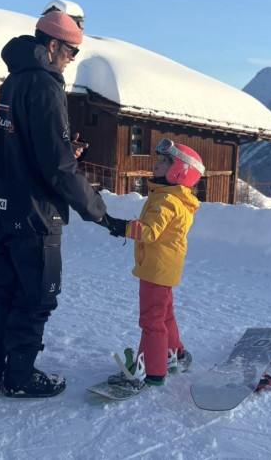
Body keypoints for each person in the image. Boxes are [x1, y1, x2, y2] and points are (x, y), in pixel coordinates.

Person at [0, 10, 114, 398]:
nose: (71, 61)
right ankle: (19, 377)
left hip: (2, 204)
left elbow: (30, 147)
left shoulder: (15, 78)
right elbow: (57, 166)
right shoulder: (45, 84)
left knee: (3, 292)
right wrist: (98, 210)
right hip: (34, 213)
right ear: (53, 45)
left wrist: (65, 150)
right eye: (71, 52)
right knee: (36, 298)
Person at [103, 138, 205, 387]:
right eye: (159, 159)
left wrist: (119, 226)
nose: (157, 164)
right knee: (164, 315)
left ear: (179, 171)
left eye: (165, 162)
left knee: (151, 320)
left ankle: (153, 370)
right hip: (164, 267)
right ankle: (174, 353)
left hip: (155, 270)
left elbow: (149, 232)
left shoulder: (166, 201)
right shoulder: (172, 197)